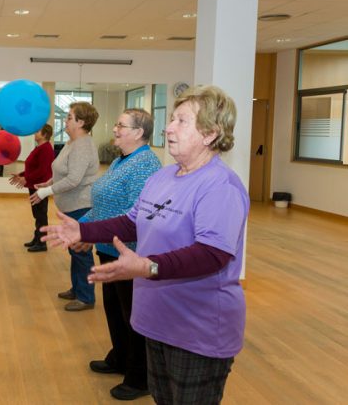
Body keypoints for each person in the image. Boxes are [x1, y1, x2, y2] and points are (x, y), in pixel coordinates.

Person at [42, 85, 249, 405]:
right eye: (172, 120)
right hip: (156, 320)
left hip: (196, 330)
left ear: (209, 133)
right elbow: (131, 222)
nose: (168, 127)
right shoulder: (163, 177)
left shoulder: (220, 186)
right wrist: (83, 231)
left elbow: (213, 254)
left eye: (182, 121)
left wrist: (149, 266)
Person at [80, 109, 161, 401]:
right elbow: (105, 204)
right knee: (115, 308)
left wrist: (89, 232)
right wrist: (83, 228)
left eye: (121, 125)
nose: (114, 129)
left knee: (133, 315)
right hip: (109, 248)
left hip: (131, 252)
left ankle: (140, 377)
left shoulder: (145, 165)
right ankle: (121, 358)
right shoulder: (120, 160)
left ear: (139, 133)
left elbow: (134, 217)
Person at [30, 102, 99, 311]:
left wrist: (44, 192)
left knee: (81, 251)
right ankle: (77, 288)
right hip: (70, 206)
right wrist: (49, 183)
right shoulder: (71, 143)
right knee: (74, 250)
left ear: (81, 122)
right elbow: (62, 172)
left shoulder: (83, 145)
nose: (65, 121)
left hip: (82, 206)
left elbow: (74, 180)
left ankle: (86, 297)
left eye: (69, 117)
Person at [9, 124, 55, 252]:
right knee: (37, 214)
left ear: (45, 134)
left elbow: (42, 170)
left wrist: (26, 179)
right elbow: (33, 167)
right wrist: (22, 174)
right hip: (34, 185)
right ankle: (37, 239)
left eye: (38, 131)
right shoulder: (39, 148)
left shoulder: (46, 149)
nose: (35, 132)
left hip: (40, 186)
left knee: (41, 214)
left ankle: (42, 243)